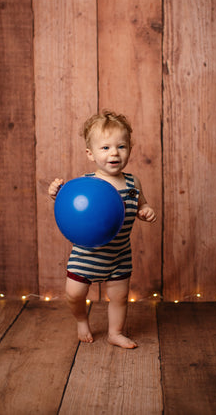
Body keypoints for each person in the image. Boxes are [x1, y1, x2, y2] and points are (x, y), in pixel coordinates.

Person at [48, 110, 156, 348]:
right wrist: (57, 192)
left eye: (121, 146)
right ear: (91, 153)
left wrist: (146, 210)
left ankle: (115, 333)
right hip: (86, 255)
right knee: (74, 294)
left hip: (118, 255)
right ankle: (80, 320)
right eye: (105, 148)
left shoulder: (132, 182)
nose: (114, 153)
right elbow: (71, 205)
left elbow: (142, 203)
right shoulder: (86, 184)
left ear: (129, 149)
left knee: (119, 297)